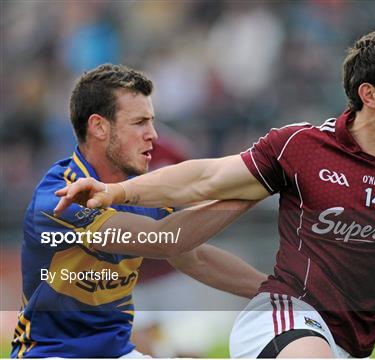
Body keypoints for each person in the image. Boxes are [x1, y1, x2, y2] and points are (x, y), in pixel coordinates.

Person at [55, 29, 375, 358]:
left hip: (350, 343)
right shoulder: (301, 147)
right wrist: (118, 192)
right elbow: (204, 178)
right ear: (370, 94)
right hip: (284, 316)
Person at [12, 64, 267, 358]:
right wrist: (257, 187)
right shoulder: (62, 197)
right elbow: (165, 239)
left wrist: (280, 293)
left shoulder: (141, 190)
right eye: (139, 123)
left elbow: (196, 259)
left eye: (152, 122)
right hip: (53, 354)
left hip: (118, 353)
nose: (153, 135)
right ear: (99, 127)